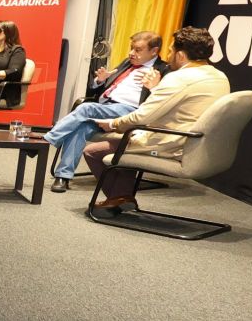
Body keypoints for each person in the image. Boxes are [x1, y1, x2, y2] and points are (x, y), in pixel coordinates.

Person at [83, 26, 232, 212]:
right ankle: (122, 198)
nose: (168, 55)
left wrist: (113, 124)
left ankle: (118, 198)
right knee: (126, 141)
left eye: (170, 51)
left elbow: (143, 115)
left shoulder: (179, 78)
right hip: (200, 145)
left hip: (172, 144)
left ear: (181, 55)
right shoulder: (220, 76)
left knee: (94, 151)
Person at [45, 30, 168, 193]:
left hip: (130, 113)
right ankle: (63, 176)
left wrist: (155, 87)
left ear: (154, 51)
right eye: (131, 48)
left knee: (86, 107)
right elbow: (95, 90)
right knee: (80, 127)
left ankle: (47, 140)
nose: (131, 53)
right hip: (106, 109)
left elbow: (164, 102)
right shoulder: (127, 63)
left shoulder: (164, 70)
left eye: (137, 50)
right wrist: (99, 81)